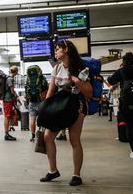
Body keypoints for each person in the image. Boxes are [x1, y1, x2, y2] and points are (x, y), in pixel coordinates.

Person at [40, 40, 93, 186]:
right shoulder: (57, 68)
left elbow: (89, 93)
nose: (56, 52)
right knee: (47, 137)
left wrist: (76, 80)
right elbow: (51, 90)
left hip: (76, 106)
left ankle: (77, 175)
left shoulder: (81, 68)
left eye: (58, 49)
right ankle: (53, 171)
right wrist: (45, 108)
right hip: (59, 107)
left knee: (74, 140)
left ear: (66, 50)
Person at [24, 65, 48, 142]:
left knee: (32, 119)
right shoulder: (42, 78)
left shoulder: (28, 79)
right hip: (41, 101)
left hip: (32, 101)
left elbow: (26, 90)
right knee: (43, 119)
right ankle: (42, 134)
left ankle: (33, 135)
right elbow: (46, 88)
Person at [3, 67, 19, 140]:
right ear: (16, 72)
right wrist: (17, 96)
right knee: (7, 116)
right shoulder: (10, 79)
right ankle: (6, 134)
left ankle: (7, 133)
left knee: (8, 116)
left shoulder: (8, 78)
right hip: (8, 100)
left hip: (7, 100)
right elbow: (12, 91)